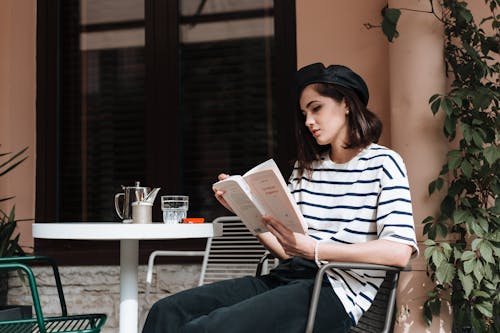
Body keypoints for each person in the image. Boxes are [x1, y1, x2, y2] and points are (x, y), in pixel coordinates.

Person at [142, 63, 418, 333]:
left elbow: (398, 251)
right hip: (285, 277)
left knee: (212, 327)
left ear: (346, 104)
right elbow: (288, 250)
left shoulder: (383, 163)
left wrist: (315, 250)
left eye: (316, 108)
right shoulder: (306, 168)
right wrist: (244, 208)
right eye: (304, 113)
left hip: (335, 293)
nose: (309, 121)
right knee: (167, 311)